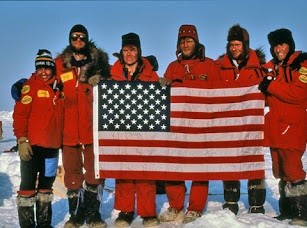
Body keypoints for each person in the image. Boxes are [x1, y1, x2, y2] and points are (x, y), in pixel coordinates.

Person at [158, 24, 221, 224]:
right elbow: (163, 98)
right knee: (173, 167)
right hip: (177, 126)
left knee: (200, 169)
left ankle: (195, 208)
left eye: (189, 40)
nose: (186, 44)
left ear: (196, 42)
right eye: (182, 41)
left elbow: (219, 95)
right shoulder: (172, 67)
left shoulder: (210, 65)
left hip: (201, 127)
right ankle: (176, 206)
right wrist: (162, 87)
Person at [55, 24, 110, 228]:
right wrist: (21, 87)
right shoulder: (60, 64)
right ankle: (76, 215)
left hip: (91, 130)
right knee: (72, 174)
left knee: (94, 173)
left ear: (87, 40)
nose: (78, 41)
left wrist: (102, 80)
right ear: (70, 39)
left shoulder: (99, 62)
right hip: (68, 131)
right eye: (74, 37)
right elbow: (44, 81)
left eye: (82, 37)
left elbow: (113, 85)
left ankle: (93, 214)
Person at [215, 24, 266, 215]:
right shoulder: (220, 65)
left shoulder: (260, 67)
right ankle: (230, 201)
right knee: (229, 160)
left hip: (251, 123)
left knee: (253, 160)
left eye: (237, 44)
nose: (234, 48)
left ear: (245, 45)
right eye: (231, 45)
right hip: (228, 122)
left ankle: (256, 202)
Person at [110, 32, 160, 227]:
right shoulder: (112, 74)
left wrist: (163, 87)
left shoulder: (150, 74)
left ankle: (148, 212)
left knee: (146, 171)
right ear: (121, 52)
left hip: (144, 130)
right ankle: (125, 211)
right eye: (125, 50)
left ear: (139, 51)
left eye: (132, 49)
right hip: (121, 129)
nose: (129, 53)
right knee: (124, 171)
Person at [259, 28, 307, 226]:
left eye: (283, 44)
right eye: (276, 45)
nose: (279, 49)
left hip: (293, 125)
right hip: (275, 125)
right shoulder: (271, 68)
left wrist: (270, 86)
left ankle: (300, 212)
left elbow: (301, 94)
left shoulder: (301, 64)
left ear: (290, 45)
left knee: (293, 168)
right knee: (279, 169)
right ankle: (286, 210)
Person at [12, 49, 64, 227]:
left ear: (52, 68)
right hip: (32, 147)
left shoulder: (59, 87)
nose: (43, 72)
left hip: (51, 147)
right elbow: (20, 115)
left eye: (46, 68)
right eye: (39, 68)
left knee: (46, 186)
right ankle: (27, 224)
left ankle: (44, 223)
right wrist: (22, 140)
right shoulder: (29, 87)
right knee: (27, 185)